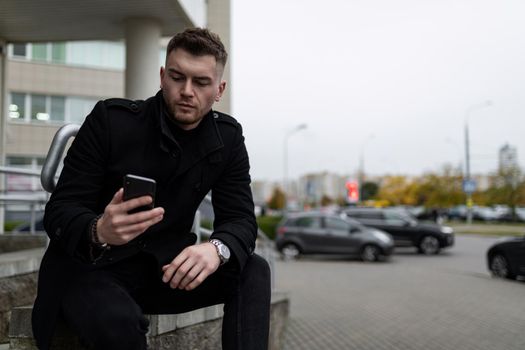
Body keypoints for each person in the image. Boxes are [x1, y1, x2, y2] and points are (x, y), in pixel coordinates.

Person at [32, 27, 271, 350]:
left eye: (201, 82)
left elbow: (241, 219)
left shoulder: (226, 139)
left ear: (219, 89)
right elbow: (59, 211)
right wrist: (97, 229)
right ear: (162, 76)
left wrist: (215, 249)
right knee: (118, 322)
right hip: (93, 269)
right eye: (177, 77)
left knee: (253, 270)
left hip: (165, 271)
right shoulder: (110, 120)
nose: (187, 91)